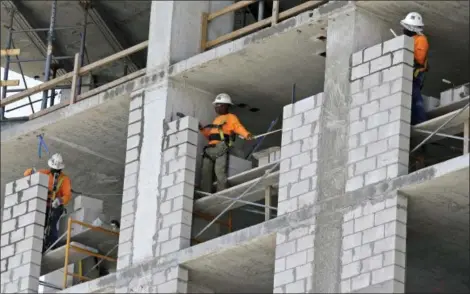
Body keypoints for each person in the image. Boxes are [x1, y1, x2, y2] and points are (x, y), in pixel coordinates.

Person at [199, 93, 254, 193]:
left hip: (221, 147)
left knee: (219, 172)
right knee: (206, 173)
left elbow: (238, 127)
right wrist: (202, 129)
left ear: (225, 105)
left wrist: (247, 135)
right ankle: (204, 194)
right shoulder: (216, 120)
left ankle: (221, 194)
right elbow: (210, 135)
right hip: (210, 148)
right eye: (216, 105)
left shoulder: (231, 117)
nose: (216, 107)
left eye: (218, 105)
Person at [24, 153, 72, 252]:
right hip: (43, 203)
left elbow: (67, 195)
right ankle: (38, 244)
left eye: (57, 171)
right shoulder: (44, 173)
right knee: (41, 222)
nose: (56, 172)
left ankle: (52, 244)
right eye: (54, 170)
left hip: (55, 205)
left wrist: (60, 200)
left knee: (53, 221)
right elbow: (26, 175)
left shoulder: (64, 179)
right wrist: (31, 171)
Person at [400, 12, 429, 169]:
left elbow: (417, 59)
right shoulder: (413, 39)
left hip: (415, 75)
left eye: (406, 28)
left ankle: (421, 125)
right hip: (410, 75)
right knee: (411, 100)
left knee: (416, 101)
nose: (404, 30)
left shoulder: (420, 40)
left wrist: (404, 49)